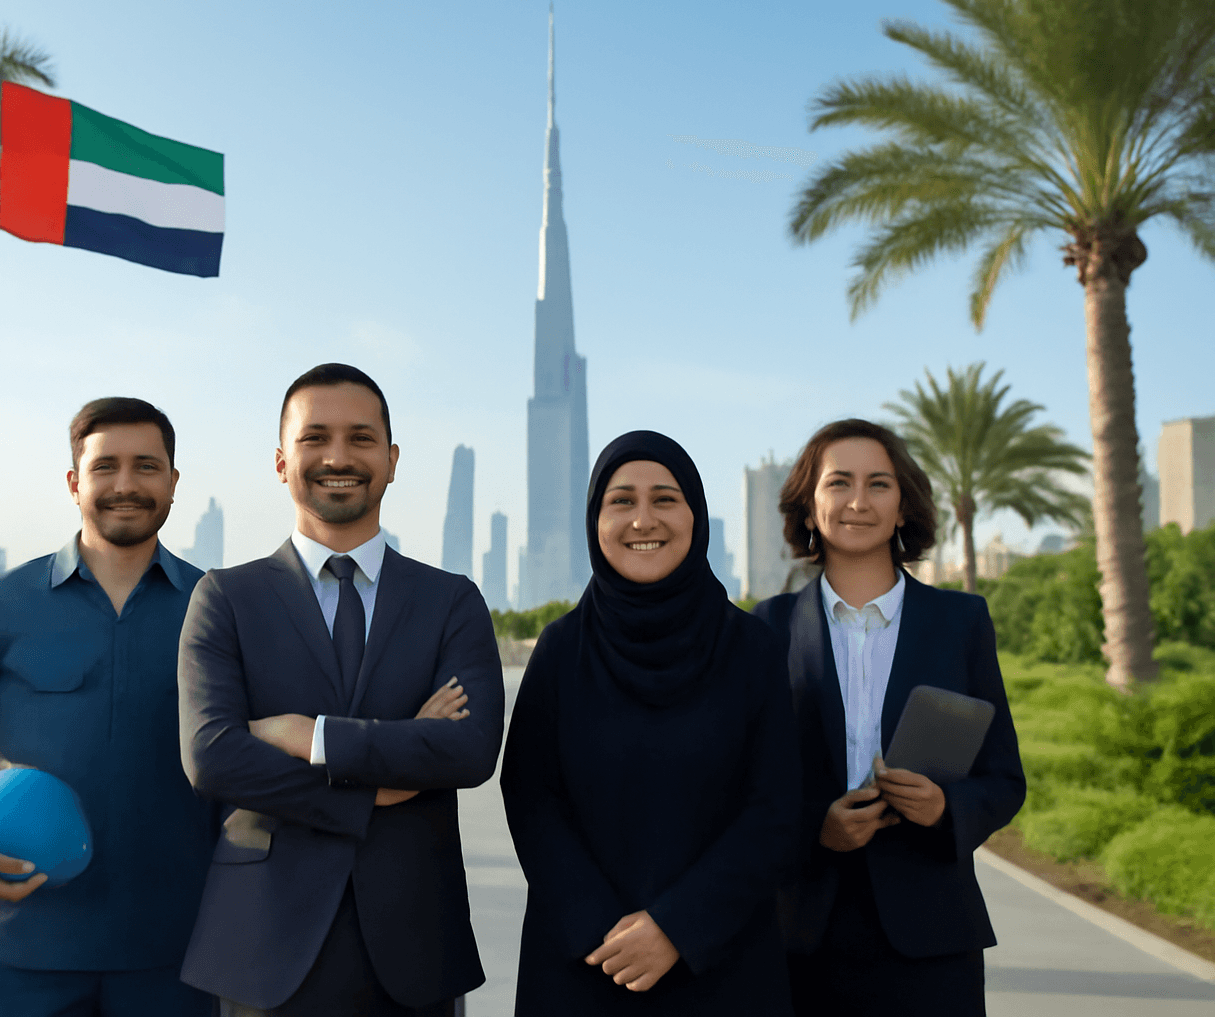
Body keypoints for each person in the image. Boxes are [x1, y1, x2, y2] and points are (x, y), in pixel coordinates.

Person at [178, 363, 504, 1017]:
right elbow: (213, 757)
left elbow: (469, 751)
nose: (337, 457)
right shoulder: (225, 597)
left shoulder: (452, 601)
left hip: (416, 941)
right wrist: (382, 779)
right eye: (314, 438)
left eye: (360, 438)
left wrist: (311, 737)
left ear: (391, 460)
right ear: (281, 462)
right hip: (263, 944)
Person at [0, 398, 220, 1017]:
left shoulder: (218, 609)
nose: (125, 484)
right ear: (74, 482)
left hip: (178, 951)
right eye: (104, 466)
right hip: (25, 946)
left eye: (146, 466)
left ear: (174, 482)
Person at [500, 430, 798, 1016]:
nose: (643, 519)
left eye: (665, 499)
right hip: (585, 964)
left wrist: (677, 928)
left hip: (723, 964)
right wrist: (604, 930)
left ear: (696, 516)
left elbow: (775, 807)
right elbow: (531, 798)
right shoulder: (561, 650)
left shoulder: (752, 648)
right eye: (622, 501)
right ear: (596, 520)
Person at [752, 418, 1026, 1017]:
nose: (858, 501)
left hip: (934, 939)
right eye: (838, 483)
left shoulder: (961, 622)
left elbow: (1005, 779)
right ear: (808, 506)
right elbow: (743, 788)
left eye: (879, 484)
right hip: (798, 937)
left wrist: (944, 808)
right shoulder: (764, 628)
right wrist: (816, 828)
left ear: (903, 508)